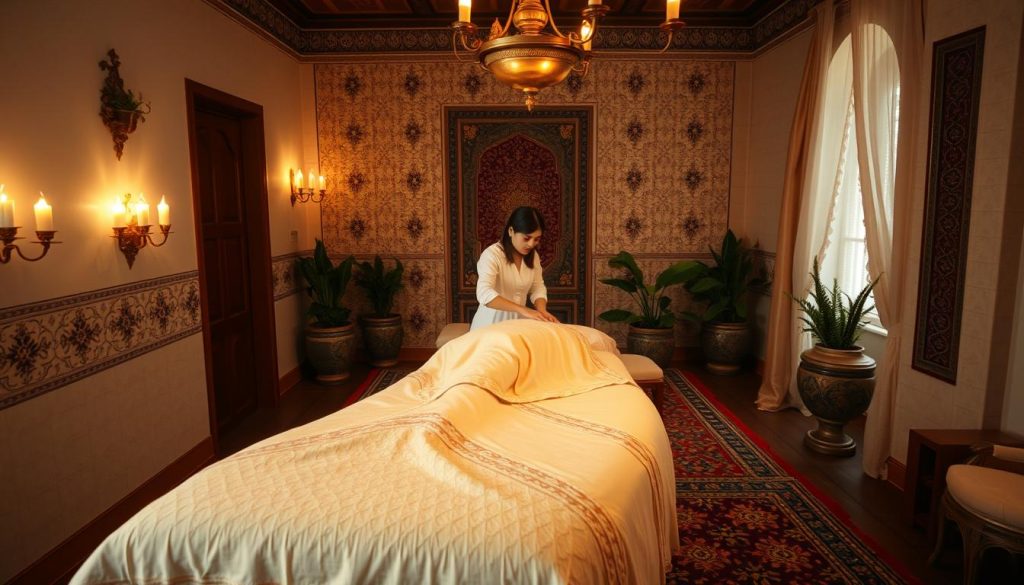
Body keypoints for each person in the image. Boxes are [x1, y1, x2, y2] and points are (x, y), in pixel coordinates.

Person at [470, 206, 561, 330]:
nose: (531, 244)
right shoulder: (491, 255)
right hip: (490, 326)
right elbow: (484, 293)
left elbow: (537, 287)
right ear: (511, 231)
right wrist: (523, 310)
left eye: (537, 239)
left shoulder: (533, 256)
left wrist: (542, 311)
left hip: (518, 326)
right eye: (526, 238)